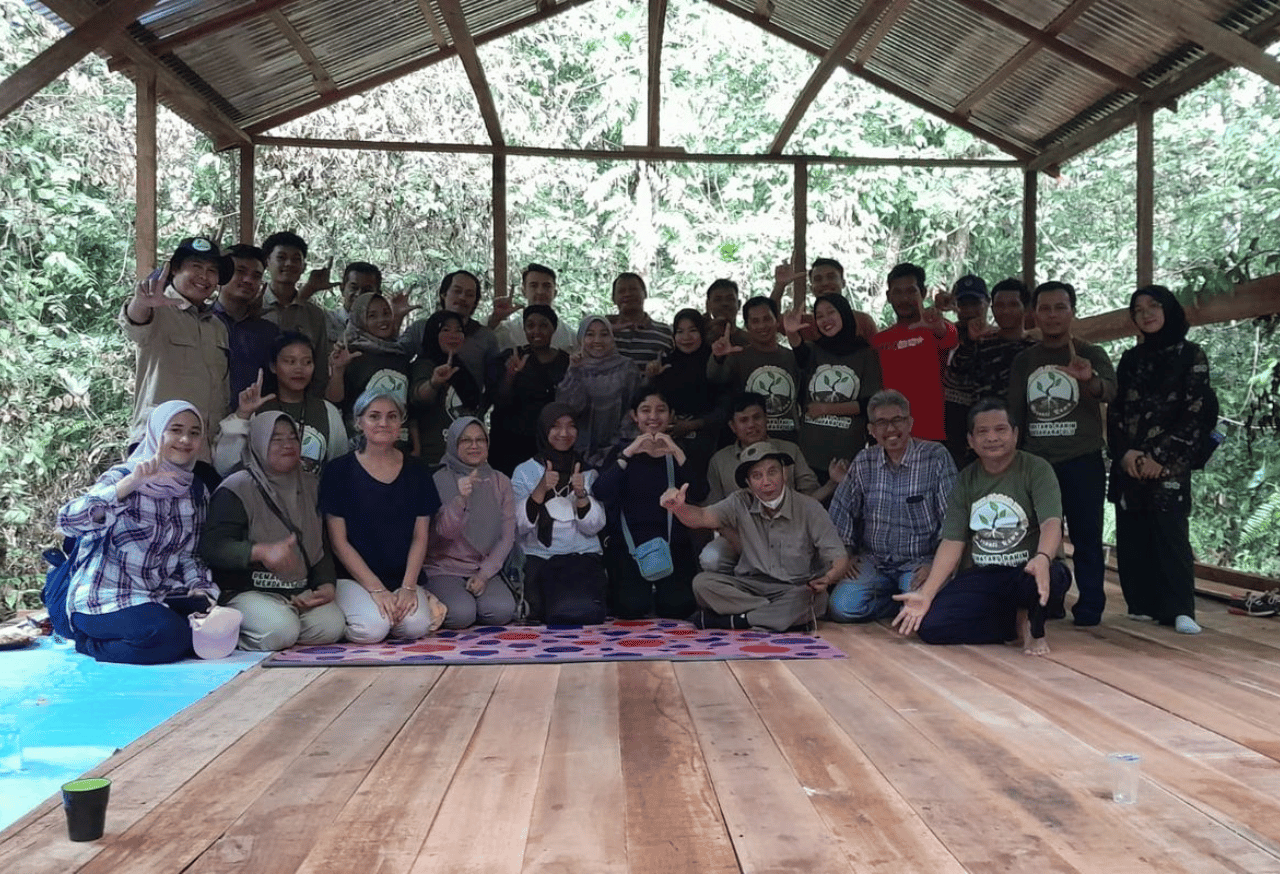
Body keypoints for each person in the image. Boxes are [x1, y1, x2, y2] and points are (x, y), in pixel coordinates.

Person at [893, 398, 1072, 655]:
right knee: (931, 627)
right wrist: (927, 594)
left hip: (1029, 569)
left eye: (1000, 430)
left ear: (1015, 434)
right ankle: (1013, 624)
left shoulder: (1036, 469)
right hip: (985, 573)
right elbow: (953, 540)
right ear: (971, 440)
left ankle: (1035, 627)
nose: (992, 438)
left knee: (1046, 578)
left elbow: (1051, 522)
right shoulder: (966, 479)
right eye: (983, 432)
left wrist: (1043, 557)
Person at [58, 401, 220, 664]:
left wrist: (201, 592)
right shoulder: (124, 476)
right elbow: (68, 520)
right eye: (175, 430)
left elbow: (190, 556)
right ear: (156, 433)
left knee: (209, 635)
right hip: (104, 599)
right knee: (168, 636)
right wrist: (129, 485)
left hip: (157, 598)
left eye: (194, 432)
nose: (184, 439)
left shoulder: (195, 491)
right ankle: (88, 644)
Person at [1008, 280, 1116, 627]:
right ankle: (1046, 599)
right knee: (1036, 538)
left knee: (1086, 536)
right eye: (1045, 308)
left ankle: (1090, 606)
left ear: (1072, 311)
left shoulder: (1090, 353)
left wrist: (1089, 380)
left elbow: (1111, 392)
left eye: (1060, 307)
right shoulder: (1025, 360)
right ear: (1034, 314)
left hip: (1081, 458)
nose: (1052, 315)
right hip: (1037, 463)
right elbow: (1014, 411)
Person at [1108, 286, 1212, 634]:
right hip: (1131, 461)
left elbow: (1196, 413)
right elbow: (1116, 411)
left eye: (1154, 306)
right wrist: (1125, 455)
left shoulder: (1191, 356)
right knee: (1133, 529)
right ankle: (1141, 603)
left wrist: (1159, 458)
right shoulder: (1130, 359)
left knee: (1170, 533)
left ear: (1169, 310)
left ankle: (1180, 608)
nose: (1146, 314)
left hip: (1170, 462)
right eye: (1138, 310)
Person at [661, 441, 849, 631]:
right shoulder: (739, 501)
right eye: (757, 476)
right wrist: (678, 508)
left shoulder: (809, 508)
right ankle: (778, 617)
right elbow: (701, 517)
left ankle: (736, 621)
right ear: (748, 483)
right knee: (702, 584)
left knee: (815, 599)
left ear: (784, 473)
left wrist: (829, 578)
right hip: (750, 586)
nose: (766, 481)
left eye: (772, 472)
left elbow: (839, 558)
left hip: (794, 588)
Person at [200, 412, 345, 650]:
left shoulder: (311, 485)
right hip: (247, 590)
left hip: (299, 590)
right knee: (281, 630)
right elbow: (213, 547)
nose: (287, 445)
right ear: (257, 442)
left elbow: (322, 544)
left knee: (331, 626)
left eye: (293, 437)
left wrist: (326, 585)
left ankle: (279, 627)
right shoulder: (236, 487)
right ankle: (236, 631)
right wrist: (259, 552)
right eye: (275, 439)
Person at [320, 390, 447, 642]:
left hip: (402, 577)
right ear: (358, 422)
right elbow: (339, 542)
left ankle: (415, 600)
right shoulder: (338, 471)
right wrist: (376, 590)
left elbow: (420, 537)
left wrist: (408, 588)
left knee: (415, 627)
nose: (383, 423)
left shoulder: (417, 471)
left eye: (391, 416)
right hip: (353, 577)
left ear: (401, 422)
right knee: (372, 629)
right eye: (374, 416)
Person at [827, 390, 957, 622]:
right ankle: (895, 604)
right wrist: (846, 554)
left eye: (898, 420)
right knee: (841, 608)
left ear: (910, 423)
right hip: (874, 561)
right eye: (882, 423)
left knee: (924, 611)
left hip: (920, 562)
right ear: (871, 430)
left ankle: (904, 601)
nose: (891, 429)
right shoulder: (864, 461)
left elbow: (952, 518)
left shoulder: (936, 456)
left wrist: (935, 565)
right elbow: (842, 510)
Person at [121, 237, 232, 460]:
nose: (204, 276)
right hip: (157, 445)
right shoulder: (158, 310)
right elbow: (135, 324)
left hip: (204, 451)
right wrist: (142, 303)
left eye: (212, 270)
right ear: (174, 270)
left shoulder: (218, 326)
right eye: (196, 267)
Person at [593, 387, 699, 620]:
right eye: (645, 410)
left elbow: (701, 491)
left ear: (671, 415)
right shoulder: (621, 452)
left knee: (678, 608)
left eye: (661, 410)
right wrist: (629, 452)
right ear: (634, 416)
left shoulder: (680, 452)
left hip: (673, 547)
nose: (653, 417)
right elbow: (600, 491)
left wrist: (676, 452)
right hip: (629, 548)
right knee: (631, 608)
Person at [510, 403, 608, 623]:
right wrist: (540, 489)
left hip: (582, 555)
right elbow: (519, 526)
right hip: (541, 557)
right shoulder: (525, 471)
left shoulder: (588, 471)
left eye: (570, 426)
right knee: (543, 611)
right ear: (544, 430)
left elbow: (594, 527)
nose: (564, 433)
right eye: (555, 427)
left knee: (582, 610)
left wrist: (581, 494)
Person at [424, 418, 518, 628]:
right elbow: (444, 533)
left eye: (480, 440)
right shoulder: (440, 479)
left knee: (501, 610)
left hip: (482, 567)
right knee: (460, 614)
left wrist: (484, 575)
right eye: (465, 440)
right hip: (443, 567)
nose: (474, 446)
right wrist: (461, 500)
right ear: (454, 444)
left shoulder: (500, 481)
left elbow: (507, 536)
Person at [213, 332, 348, 477]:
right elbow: (224, 467)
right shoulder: (257, 411)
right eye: (290, 361)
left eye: (307, 362)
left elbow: (340, 468)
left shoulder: (327, 411)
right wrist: (243, 415)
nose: (299, 369)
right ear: (273, 366)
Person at [782, 293, 883, 480]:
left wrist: (826, 408)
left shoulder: (866, 354)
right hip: (809, 455)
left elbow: (870, 403)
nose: (825, 319)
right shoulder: (813, 350)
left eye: (830, 312)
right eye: (819, 316)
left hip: (846, 455)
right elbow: (800, 351)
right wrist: (791, 333)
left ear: (844, 314)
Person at [645, 309, 728, 496]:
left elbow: (725, 406)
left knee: (703, 494)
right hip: (669, 442)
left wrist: (693, 425)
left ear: (702, 332)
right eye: (680, 331)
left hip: (709, 443)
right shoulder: (666, 363)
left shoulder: (715, 360)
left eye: (692, 330)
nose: (686, 337)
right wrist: (652, 377)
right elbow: (650, 401)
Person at [872, 262, 958, 442]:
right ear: (888, 296)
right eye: (897, 292)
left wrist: (939, 324)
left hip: (931, 437)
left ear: (923, 293)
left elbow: (951, 338)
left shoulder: (938, 330)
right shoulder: (878, 342)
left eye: (911, 291)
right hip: (891, 437)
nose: (904, 298)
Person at [489, 305, 571, 475]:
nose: (536, 331)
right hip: (509, 445)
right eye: (530, 325)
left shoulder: (566, 361)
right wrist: (510, 375)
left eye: (543, 325)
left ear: (553, 328)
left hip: (549, 444)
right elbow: (499, 401)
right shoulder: (511, 356)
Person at [707, 295, 801, 442]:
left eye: (767, 319)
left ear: (777, 321)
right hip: (750, 442)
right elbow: (714, 377)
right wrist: (718, 357)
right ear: (747, 326)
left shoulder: (792, 356)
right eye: (755, 321)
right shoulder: (737, 356)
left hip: (789, 440)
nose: (762, 326)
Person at [399, 270, 500, 405]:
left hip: (468, 418)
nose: (462, 297)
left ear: (475, 302)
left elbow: (495, 383)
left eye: (469, 294)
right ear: (443, 294)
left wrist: (479, 410)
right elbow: (396, 357)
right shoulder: (421, 328)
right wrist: (395, 320)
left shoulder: (486, 336)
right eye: (457, 291)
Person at [556, 315, 642, 467]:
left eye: (604, 334)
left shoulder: (627, 368)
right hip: (577, 454)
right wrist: (574, 372)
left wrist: (618, 446)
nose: (597, 340)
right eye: (590, 334)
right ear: (581, 338)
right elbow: (568, 410)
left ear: (612, 337)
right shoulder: (574, 367)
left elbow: (634, 409)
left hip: (620, 451)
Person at [260, 231, 332, 396]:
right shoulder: (252, 307)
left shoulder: (314, 315)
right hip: (256, 403)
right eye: (281, 257)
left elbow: (320, 369)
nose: (289, 263)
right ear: (267, 262)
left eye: (296, 259)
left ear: (304, 267)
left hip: (300, 405)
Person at [409, 310, 484, 464]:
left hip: (465, 458)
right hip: (435, 459)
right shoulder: (423, 365)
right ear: (432, 333)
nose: (453, 335)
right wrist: (434, 383)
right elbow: (418, 398)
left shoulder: (463, 370)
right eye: (445, 330)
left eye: (459, 330)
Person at [328, 292, 411, 426]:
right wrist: (338, 370)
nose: (382, 320)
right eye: (372, 316)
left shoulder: (399, 354)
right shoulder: (351, 354)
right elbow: (335, 400)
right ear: (359, 319)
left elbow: (408, 405)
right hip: (361, 440)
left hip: (399, 439)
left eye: (386, 313)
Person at [949, 277, 1036, 403]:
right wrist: (970, 342)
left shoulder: (1034, 349)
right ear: (992, 308)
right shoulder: (981, 346)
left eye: (1013, 305)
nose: (1006, 311)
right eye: (1000, 305)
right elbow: (954, 379)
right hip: (985, 420)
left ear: (1026, 309)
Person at [212, 243, 279, 403]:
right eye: (240, 272)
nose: (248, 280)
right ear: (223, 274)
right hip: (203, 419)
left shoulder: (269, 332)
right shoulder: (201, 321)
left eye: (256, 276)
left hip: (254, 420)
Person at [940, 274, 989, 466]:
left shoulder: (996, 338)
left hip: (985, 423)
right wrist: (936, 309)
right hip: (950, 426)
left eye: (975, 303)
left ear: (987, 303)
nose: (969, 311)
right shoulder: (946, 334)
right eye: (963, 304)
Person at [489, 263, 576, 351]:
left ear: (555, 292)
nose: (540, 291)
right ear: (524, 291)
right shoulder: (508, 331)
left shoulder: (570, 337)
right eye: (534, 286)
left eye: (546, 286)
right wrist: (495, 319)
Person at [609, 272, 673, 366]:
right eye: (621, 291)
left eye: (633, 289)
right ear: (613, 298)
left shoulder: (665, 333)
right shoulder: (601, 332)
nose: (627, 294)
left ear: (645, 293)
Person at [325, 261, 381, 342]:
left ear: (378, 295)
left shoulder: (382, 327)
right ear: (342, 289)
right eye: (354, 288)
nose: (359, 294)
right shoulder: (325, 321)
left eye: (367, 290)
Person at [704, 278, 749, 348]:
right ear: (708, 305)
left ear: (739, 304)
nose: (724, 304)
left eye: (730, 299)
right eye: (718, 299)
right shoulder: (697, 338)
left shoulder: (750, 341)